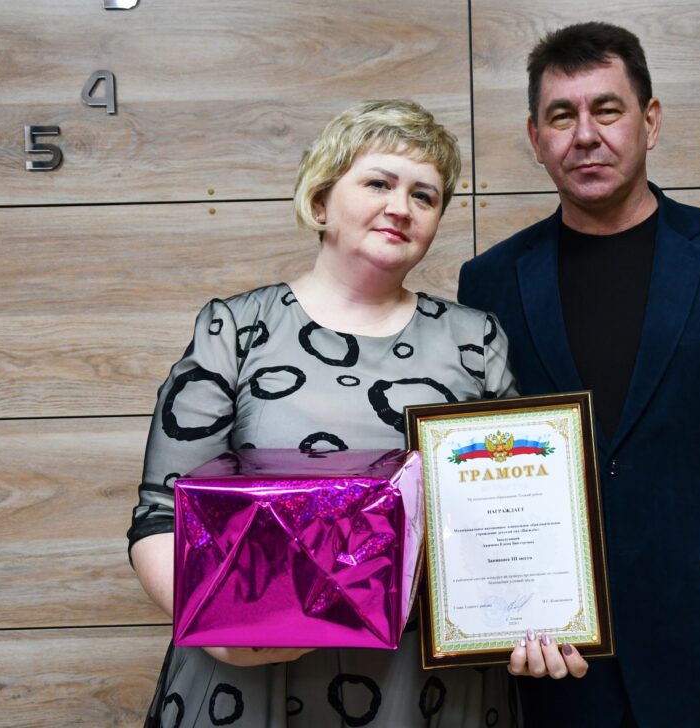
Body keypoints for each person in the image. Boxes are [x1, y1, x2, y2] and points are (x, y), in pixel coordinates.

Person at [458, 22, 700, 728]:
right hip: (555, 669)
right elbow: (482, 485)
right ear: (536, 138)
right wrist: (496, 615)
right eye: (561, 116)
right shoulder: (490, 282)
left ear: (650, 121)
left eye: (607, 109)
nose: (585, 135)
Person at [128, 99, 520, 727]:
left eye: (424, 196)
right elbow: (160, 517)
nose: (401, 207)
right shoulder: (237, 329)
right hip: (253, 676)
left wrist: (538, 616)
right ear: (319, 202)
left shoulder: (475, 340)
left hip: (421, 681)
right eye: (378, 184)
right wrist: (223, 633)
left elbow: (512, 513)